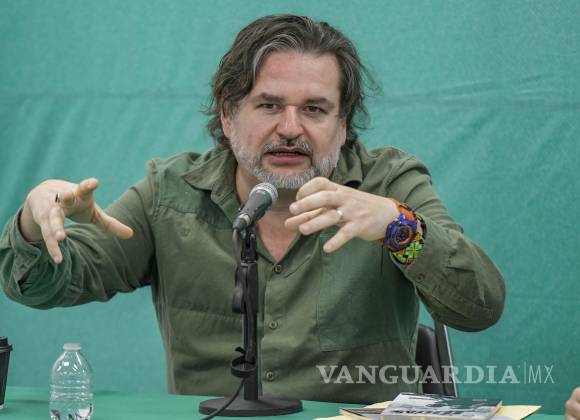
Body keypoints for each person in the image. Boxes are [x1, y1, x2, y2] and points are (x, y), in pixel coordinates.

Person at [0, 15, 505, 403]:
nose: (290, 127)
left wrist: (399, 226)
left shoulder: (389, 184)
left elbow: (480, 306)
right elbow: (43, 286)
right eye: (268, 105)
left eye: (314, 109)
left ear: (343, 124)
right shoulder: (169, 193)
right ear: (227, 114)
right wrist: (32, 224)